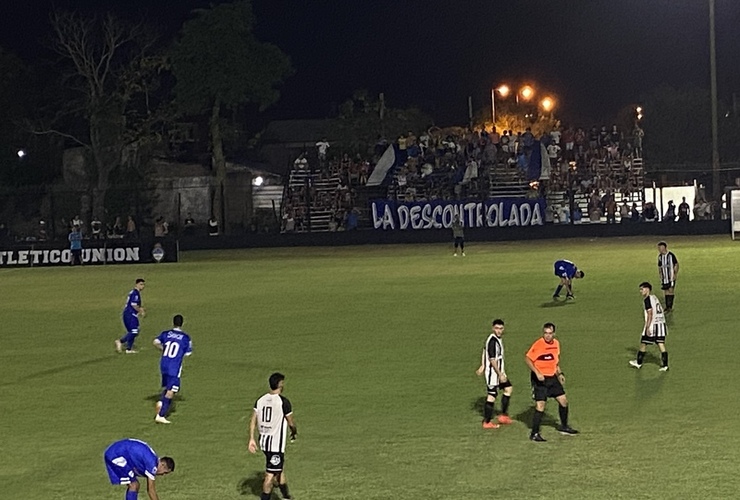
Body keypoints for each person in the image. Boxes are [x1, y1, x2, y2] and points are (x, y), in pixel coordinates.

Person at [525, 322, 578, 442]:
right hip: (540, 379)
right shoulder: (539, 344)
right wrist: (537, 372)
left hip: (552, 378)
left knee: (563, 401)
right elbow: (528, 358)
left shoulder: (556, 344)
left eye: (550, 333)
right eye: (545, 333)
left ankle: (564, 427)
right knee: (541, 406)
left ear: (554, 333)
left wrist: (559, 373)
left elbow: (555, 361)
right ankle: (534, 433)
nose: (547, 336)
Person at [248, 373, 297, 500]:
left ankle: (286, 497)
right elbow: (290, 422)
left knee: (278, 469)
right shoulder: (283, 402)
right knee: (270, 476)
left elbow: (253, 419)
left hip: (264, 442)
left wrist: (251, 439)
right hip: (275, 445)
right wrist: (294, 431)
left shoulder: (260, 400)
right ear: (280, 384)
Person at [103, 438, 174, 500]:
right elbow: (151, 490)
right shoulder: (152, 465)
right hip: (116, 455)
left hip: (117, 451)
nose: (163, 475)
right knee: (133, 485)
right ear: (162, 464)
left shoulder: (153, 459)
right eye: (165, 472)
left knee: (135, 485)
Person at [153, 314, 192, 424]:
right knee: (172, 390)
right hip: (174, 366)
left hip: (163, 363)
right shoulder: (185, 337)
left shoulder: (166, 333)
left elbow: (155, 342)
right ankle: (161, 415)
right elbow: (188, 353)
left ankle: (161, 402)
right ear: (182, 323)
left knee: (167, 386)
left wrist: (163, 349)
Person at [475, 319, 513, 428]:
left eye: (501, 328)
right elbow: (492, 360)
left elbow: (484, 350)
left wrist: (482, 364)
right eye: (496, 328)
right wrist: (499, 374)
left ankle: (503, 416)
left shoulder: (496, 339)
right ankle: (486, 422)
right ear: (493, 328)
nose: (499, 331)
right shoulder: (492, 341)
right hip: (493, 374)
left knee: (508, 388)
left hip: (499, 372)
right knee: (491, 396)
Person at [629, 282, 669, 371]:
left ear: (647, 289)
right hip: (660, 325)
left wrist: (647, 327)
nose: (641, 291)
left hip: (653, 325)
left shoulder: (647, 300)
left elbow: (650, 313)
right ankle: (665, 365)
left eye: (642, 289)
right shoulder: (654, 298)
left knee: (643, 343)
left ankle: (639, 363)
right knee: (660, 343)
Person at [116, 279, 146, 354]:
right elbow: (134, 305)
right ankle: (120, 341)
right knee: (134, 331)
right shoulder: (135, 293)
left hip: (128, 314)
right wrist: (140, 311)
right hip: (130, 314)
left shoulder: (133, 292)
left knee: (133, 331)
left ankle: (129, 349)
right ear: (136, 285)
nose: (143, 286)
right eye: (141, 284)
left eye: (143, 284)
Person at [657, 241, 679, 311]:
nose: (659, 249)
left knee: (670, 290)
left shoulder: (671, 255)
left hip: (671, 277)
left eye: (660, 248)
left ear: (664, 247)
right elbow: (659, 266)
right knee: (666, 291)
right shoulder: (660, 257)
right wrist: (660, 274)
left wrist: (675, 274)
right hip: (664, 277)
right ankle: (667, 306)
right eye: (659, 248)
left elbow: (676, 264)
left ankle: (670, 306)